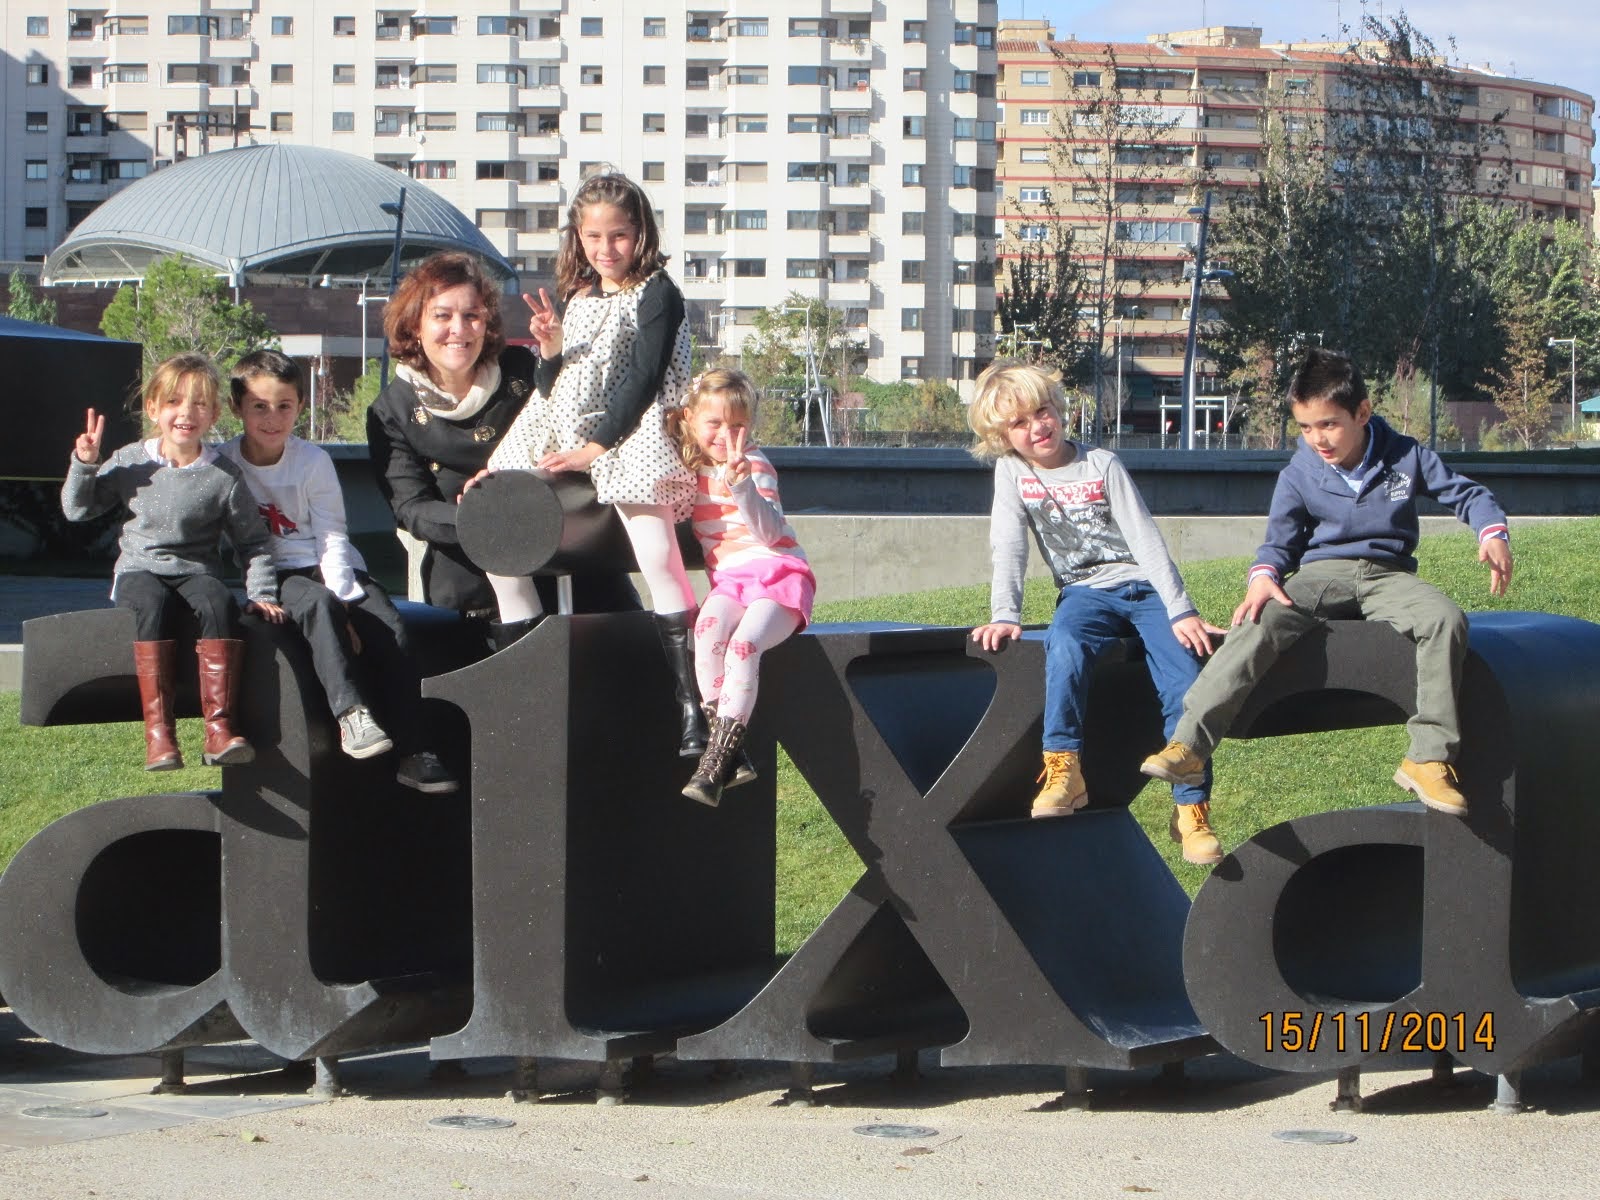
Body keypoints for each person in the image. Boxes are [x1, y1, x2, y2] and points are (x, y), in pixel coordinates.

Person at [1141, 348, 1513, 818]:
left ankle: (1429, 757)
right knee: (1261, 617)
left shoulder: (1406, 456)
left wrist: (1492, 532)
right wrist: (1263, 577)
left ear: (1362, 412)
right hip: (1322, 574)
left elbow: (1468, 494)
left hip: (1387, 575)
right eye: (1306, 427)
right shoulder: (1300, 472)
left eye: (1329, 424)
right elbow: (1279, 543)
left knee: (1444, 618)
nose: (1318, 438)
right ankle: (1189, 745)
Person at [966, 363, 1225, 865]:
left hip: (1144, 589)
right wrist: (1005, 613)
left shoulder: (1102, 464)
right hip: (1084, 594)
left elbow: (1147, 541)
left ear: (1059, 410)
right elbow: (1008, 545)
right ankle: (1064, 769)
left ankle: (1192, 811)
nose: (1036, 426)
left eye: (1042, 411)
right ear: (1003, 438)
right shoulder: (1013, 473)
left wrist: (1181, 610)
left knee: (1184, 678)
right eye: (1019, 423)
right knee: (1065, 646)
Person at [484, 173, 703, 755]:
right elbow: (555, 385)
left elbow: (643, 379)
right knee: (498, 522)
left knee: (657, 555)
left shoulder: (657, 293)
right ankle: (532, 693)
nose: (606, 250)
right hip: (570, 427)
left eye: (620, 236)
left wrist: (597, 448)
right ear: (578, 240)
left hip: (633, 430)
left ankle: (692, 703)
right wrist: (551, 348)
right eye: (593, 238)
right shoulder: (579, 297)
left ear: (642, 234)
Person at [365, 251, 639, 643]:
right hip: (475, 586)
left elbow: (581, 424)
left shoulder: (524, 371)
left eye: (472, 315)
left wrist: (557, 352)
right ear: (415, 325)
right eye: (442, 316)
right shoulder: (393, 409)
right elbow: (411, 509)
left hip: (573, 565)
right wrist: (488, 520)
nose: (458, 330)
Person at [219, 350, 457, 794]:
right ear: (236, 407)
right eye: (259, 407)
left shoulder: (312, 462)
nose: (273, 418)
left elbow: (331, 535)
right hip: (277, 571)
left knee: (390, 627)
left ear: (300, 406)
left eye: (284, 406)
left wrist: (350, 601)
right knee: (317, 605)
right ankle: (351, 715)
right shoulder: (223, 465)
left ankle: (416, 751)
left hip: (333, 564)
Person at [61, 352, 274, 771]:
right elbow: (77, 510)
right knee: (152, 603)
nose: (186, 413)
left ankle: (218, 730)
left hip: (195, 570)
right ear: (154, 408)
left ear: (213, 414)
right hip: (141, 569)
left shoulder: (223, 476)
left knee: (217, 601)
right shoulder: (130, 462)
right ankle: (160, 735)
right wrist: (85, 464)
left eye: (198, 404)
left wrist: (262, 592)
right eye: (175, 402)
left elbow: (253, 542)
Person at [665, 369, 814, 807]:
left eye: (737, 426)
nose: (726, 435)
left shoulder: (753, 465)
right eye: (714, 424)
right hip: (730, 582)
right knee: (707, 630)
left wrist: (742, 484)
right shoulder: (689, 467)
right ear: (691, 418)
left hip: (777, 574)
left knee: (743, 647)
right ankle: (732, 755)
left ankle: (716, 763)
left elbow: (770, 534)